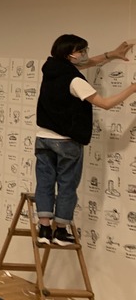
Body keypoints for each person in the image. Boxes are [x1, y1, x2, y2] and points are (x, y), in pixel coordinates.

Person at [34, 34, 136, 246]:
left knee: (44, 183)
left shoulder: (51, 68)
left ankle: (44, 229)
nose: (84, 55)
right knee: (67, 185)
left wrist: (111, 55)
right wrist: (133, 88)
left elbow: (85, 63)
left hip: (43, 138)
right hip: (66, 141)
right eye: (81, 51)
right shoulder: (75, 80)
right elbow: (105, 103)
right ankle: (60, 231)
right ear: (70, 54)